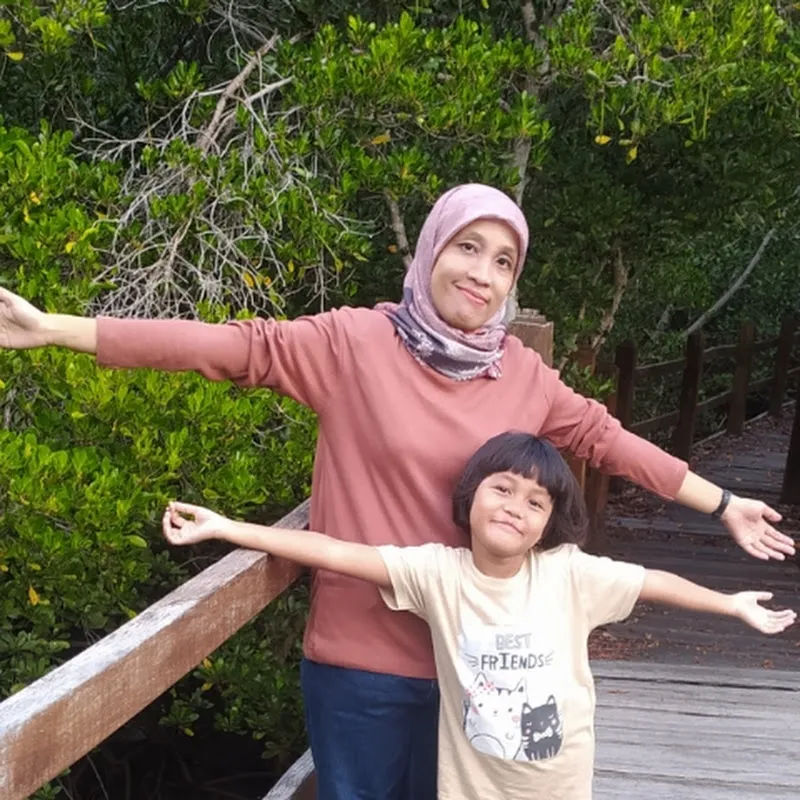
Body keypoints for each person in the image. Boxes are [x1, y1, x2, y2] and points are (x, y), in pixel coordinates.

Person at [0, 184, 794, 800]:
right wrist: (57, 329)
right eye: (468, 247)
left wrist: (724, 504)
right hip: (365, 660)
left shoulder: (519, 372)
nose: (482, 273)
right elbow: (226, 348)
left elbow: (606, 440)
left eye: (503, 261)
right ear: (431, 248)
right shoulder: (352, 344)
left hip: (486, 668)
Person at [160, 431, 796, 800]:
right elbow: (334, 551)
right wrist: (228, 527)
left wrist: (730, 604)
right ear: (470, 498)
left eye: (536, 502)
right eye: (503, 488)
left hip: (558, 787)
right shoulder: (438, 574)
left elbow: (652, 581)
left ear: (548, 525)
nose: (516, 507)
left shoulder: (568, 573)